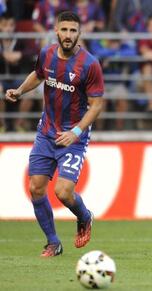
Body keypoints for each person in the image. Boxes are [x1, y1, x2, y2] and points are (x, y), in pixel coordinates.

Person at [4, 11, 104, 257]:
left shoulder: (90, 64)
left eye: (73, 30)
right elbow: (38, 76)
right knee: (36, 188)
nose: (68, 35)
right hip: (46, 133)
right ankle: (53, 243)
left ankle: (84, 216)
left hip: (73, 137)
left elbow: (97, 105)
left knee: (63, 192)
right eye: (64, 29)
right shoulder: (46, 54)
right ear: (56, 31)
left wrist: (77, 131)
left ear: (79, 34)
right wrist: (19, 91)